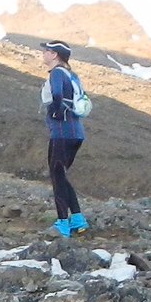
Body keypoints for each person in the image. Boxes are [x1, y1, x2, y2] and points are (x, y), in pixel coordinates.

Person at [41, 39, 92, 233]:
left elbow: (57, 94)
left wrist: (55, 111)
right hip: (75, 132)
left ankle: (62, 223)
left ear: (54, 55)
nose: (43, 54)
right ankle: (77, 218)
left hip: (61, 132)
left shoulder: (56, 73)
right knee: (62, 175)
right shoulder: (72, 75)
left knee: (57, 175)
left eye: (46, 51)